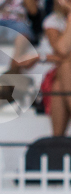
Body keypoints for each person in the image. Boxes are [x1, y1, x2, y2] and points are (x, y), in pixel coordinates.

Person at [40, 0, 71, 137]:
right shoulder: (53, 21)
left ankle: (57, 144)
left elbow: (62, 53)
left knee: (59, 84)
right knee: (63, 70)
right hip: (64, 74)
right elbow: (62, 50)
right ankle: (57, 144)